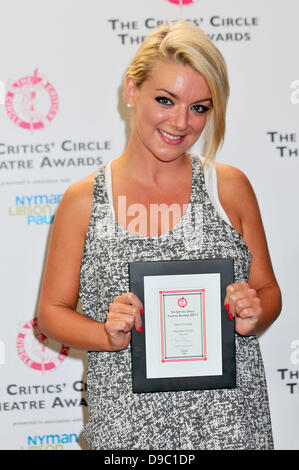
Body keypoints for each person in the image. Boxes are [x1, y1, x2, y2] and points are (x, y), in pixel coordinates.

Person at [38, 21, 282, 450]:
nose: (181, 122)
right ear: (132, 91)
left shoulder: (230, 187)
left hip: (232, 427)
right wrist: (106, 334)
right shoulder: (84, 200)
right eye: (165, 100)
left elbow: (268, 291)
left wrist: (255, 311)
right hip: (127, 433)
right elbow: (52, 312)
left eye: (200, 108)